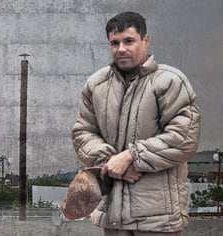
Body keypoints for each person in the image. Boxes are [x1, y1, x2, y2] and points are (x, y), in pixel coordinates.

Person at [72, 12, 200, 236]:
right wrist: (111, 163)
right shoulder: (96, 84)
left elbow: (184, 138)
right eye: (115, 42)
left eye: (129, 41)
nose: (121, 48)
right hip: (113, 217)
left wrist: (131, 155)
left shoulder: (170, 81)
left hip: (158, 219)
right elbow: (83, 133)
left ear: (145, 40)